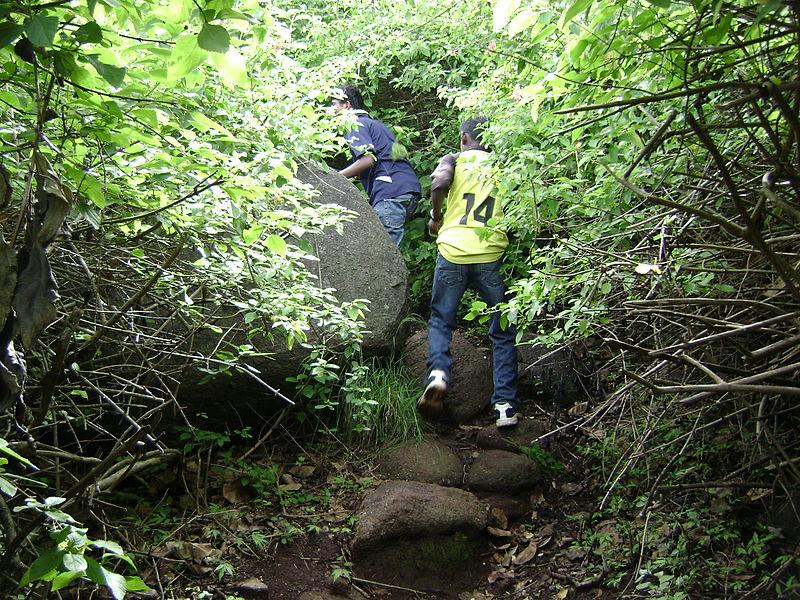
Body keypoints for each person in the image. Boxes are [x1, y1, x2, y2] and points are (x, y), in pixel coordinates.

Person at [418, 117, 519, 428]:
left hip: (453, 251)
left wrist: (436, 216)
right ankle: (504, 405)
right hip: (490, 253)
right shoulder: (504, 167)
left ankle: (438, 374)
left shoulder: (454, 159)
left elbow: (438, 183)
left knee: (441, 320)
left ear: (464, 138)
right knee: (501, 330)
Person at [331, 85, 421, 246]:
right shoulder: (374, 124)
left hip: (389, 193)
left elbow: (367, 160)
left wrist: (335, 178)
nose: (331, 109)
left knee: (385, 253)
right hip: (407, 191)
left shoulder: (354, 123)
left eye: (334, 104)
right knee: (388, 252)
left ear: (347, 105)